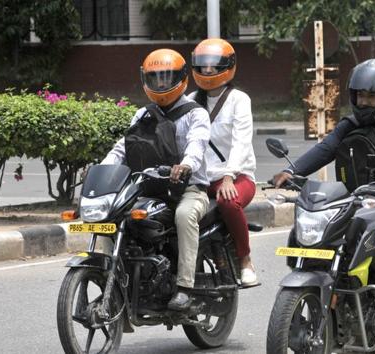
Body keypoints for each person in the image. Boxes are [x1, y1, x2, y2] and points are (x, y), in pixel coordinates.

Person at [273, 59, 375, 354]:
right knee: (330, 245)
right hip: (359, 202)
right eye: (359, 96)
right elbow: (325, 149)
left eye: (371, 96)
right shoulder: (350, 125)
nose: (364, 102)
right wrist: (294, 173)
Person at [101, 48, 211, 311]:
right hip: (149, 187)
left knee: (185, 216)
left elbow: (197, 144)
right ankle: (112, 280)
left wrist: (185, 166)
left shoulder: (196, 114)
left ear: (181, 78)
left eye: (166, 77)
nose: (161, 83)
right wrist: (101, 169)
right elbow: (122, 148)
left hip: (189, 188)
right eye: (155, 78)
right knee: (109, 217)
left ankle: (185, 286)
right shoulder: (143, 115)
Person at [188, 38, 259, 286]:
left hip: (237, 177)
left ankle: (245, 260)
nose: (208, 71)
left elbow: (241, 140)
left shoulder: (239, 99)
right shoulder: (190, 101)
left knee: (228, 201)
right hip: (199, 178)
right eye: (203, 66)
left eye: (214, 66)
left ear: (227, 67)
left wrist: (229, 175)